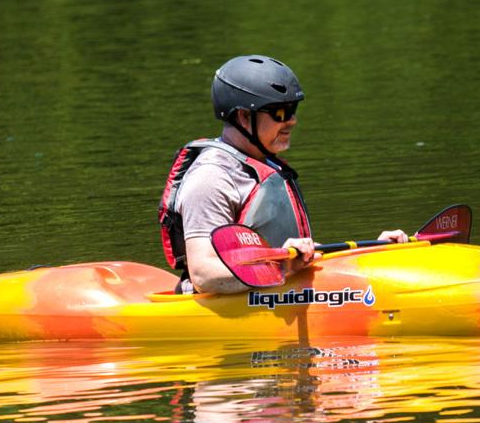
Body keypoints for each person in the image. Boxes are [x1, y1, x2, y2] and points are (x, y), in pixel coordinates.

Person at [158, 54, 409, 294]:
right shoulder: (211, 178)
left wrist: (372, 251)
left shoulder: (265, 165)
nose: (292, 121)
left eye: (293, 110)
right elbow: (205, 276)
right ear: (244, 116)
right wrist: (281, 268)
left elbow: (293, 255)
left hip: (280, 291)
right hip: (227, 312)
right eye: (280, 112)